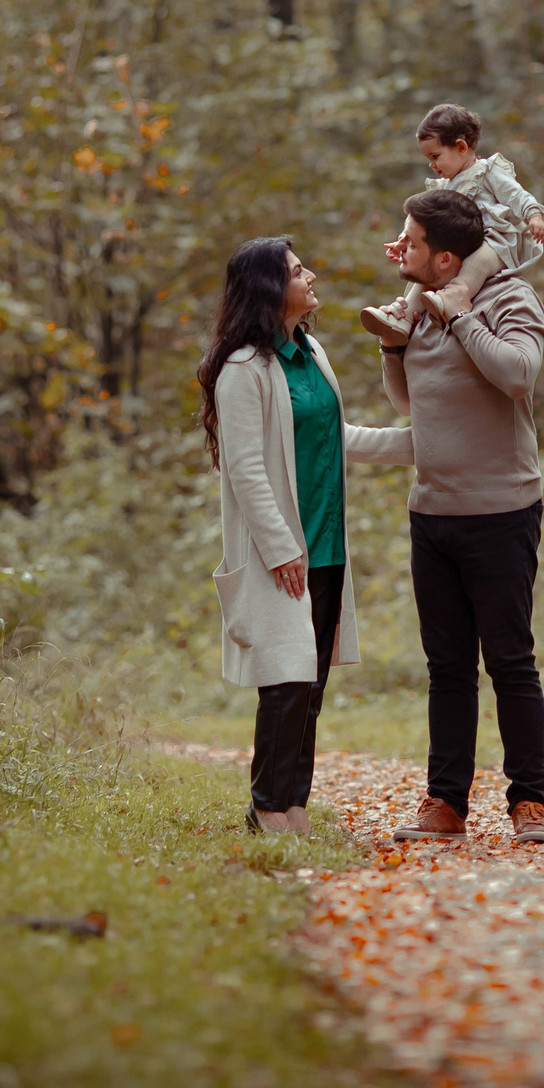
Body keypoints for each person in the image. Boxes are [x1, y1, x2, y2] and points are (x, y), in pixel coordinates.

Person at [199, 237, 413, 835]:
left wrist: (417, 445)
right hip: (284, 554)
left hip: (328, 545)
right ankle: (266, 806)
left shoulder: (310, 351)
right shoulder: (244, 369)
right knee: (285, 681)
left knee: (311, 684)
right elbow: (243, 467)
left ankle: (294, 804)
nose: (311, 275)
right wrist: (279, 547)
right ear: (271, 287)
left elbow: (332, 434)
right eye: (298, 271)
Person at [375, 188, 544, 844]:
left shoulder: (510, 298)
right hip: (434, 511)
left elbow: (517, 374)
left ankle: (528, 800)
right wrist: (395, 346)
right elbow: (408, 404)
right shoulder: (420, 306)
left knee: (509, 659)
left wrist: (459, 318)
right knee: (446, 665)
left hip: (502, 510)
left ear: (447, 258)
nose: (401, 249)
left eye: (412, 240)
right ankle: (445, 803)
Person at [360, 103, 544, 346]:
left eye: (435, 156)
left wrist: (534, 216)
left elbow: (516, 195)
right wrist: (404, 242)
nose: (432, 165)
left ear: (461, 147)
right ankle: (403, 316)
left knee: (478, 261)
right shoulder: (443, 187)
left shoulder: (487, 172)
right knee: (425, 267)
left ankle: (453, 298)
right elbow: (423, 223)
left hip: (493, 241)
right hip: (458, 245)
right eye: (429, 158)